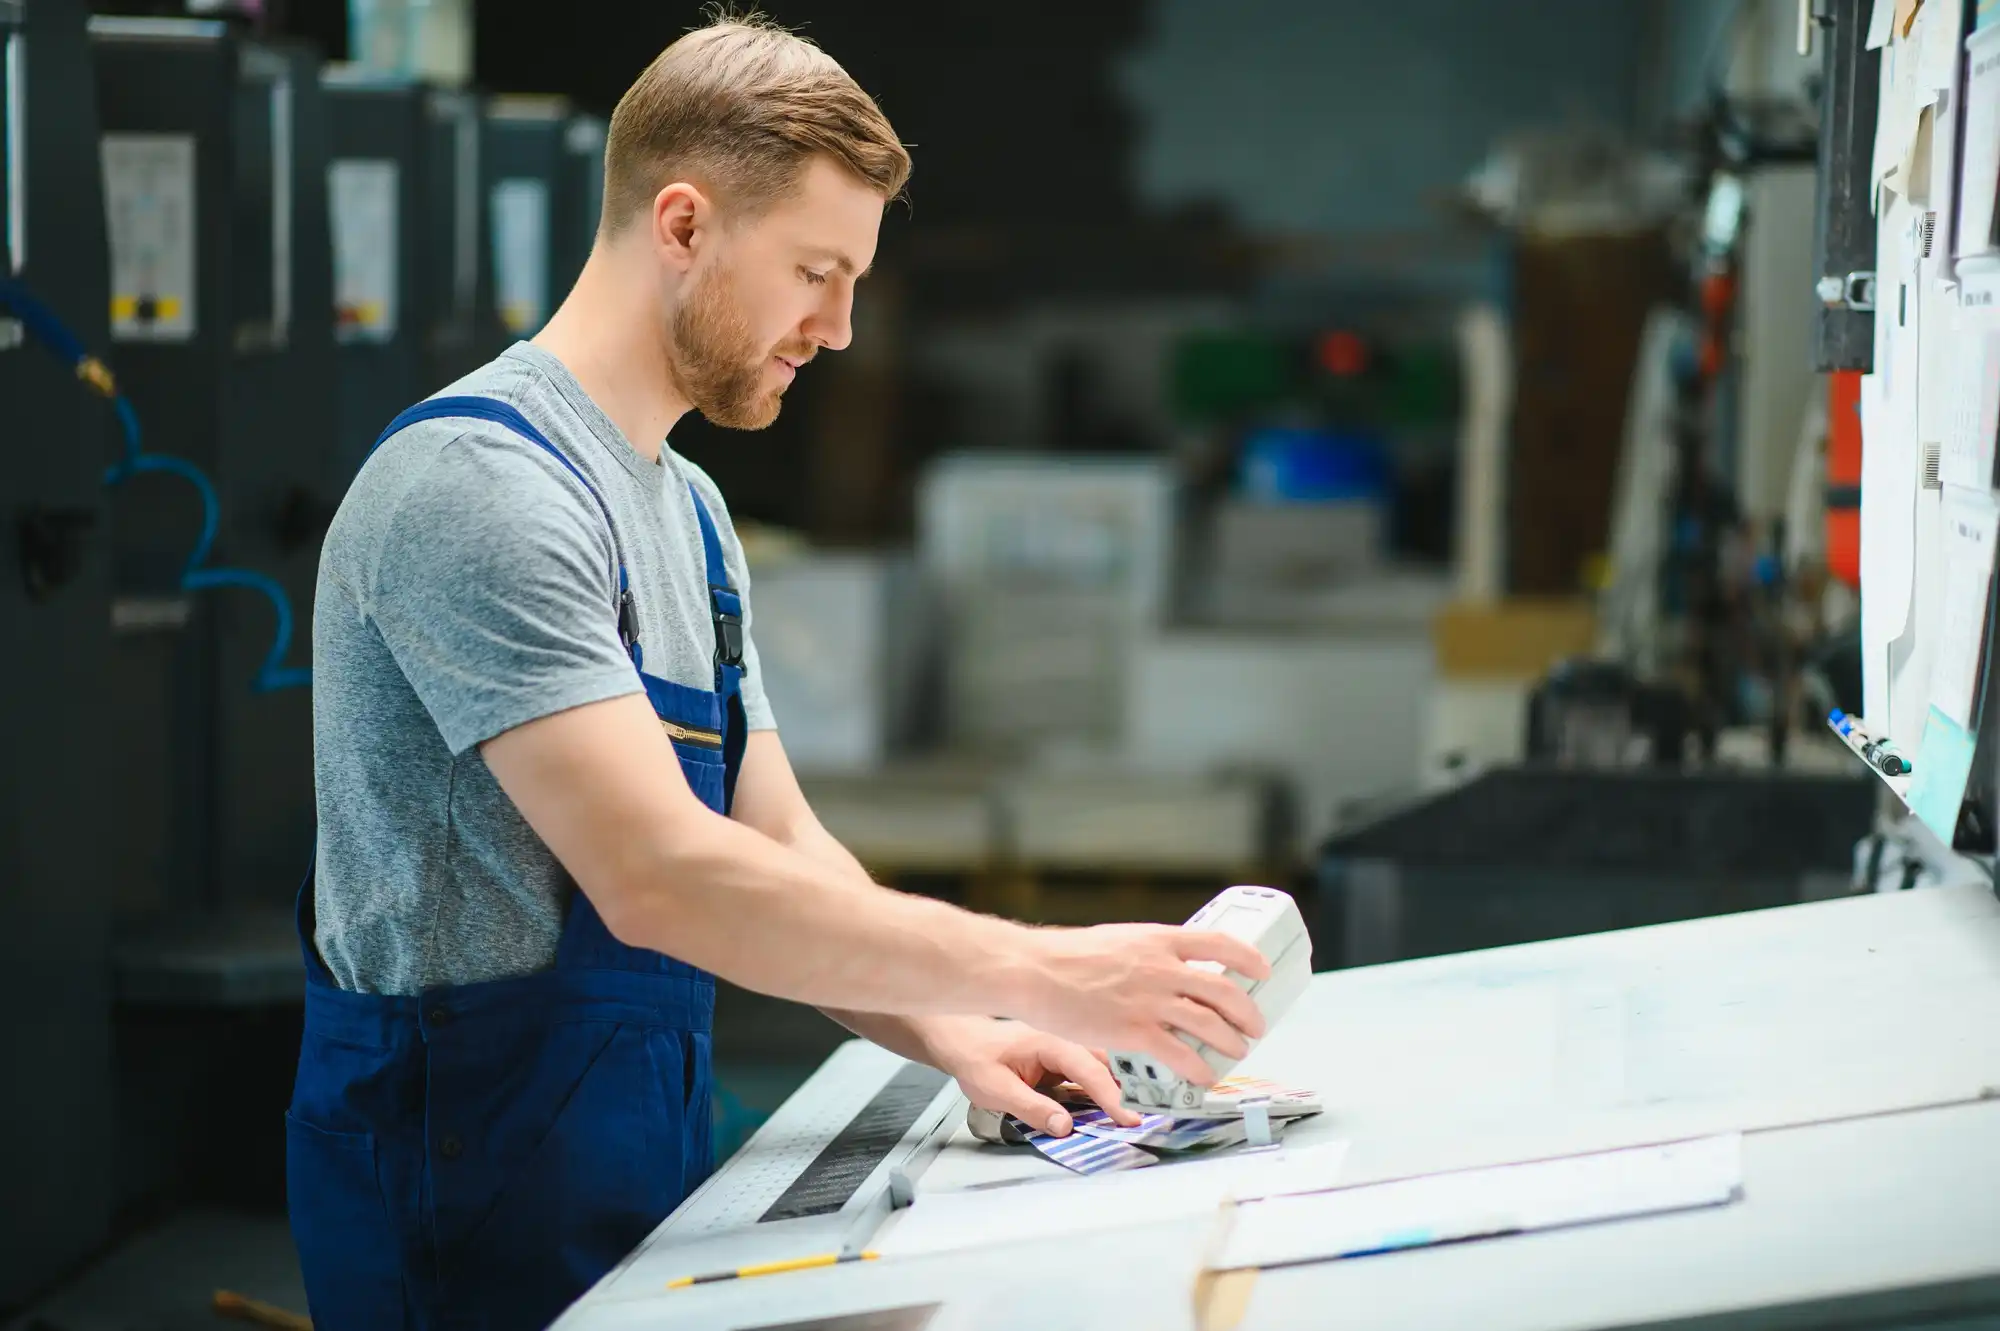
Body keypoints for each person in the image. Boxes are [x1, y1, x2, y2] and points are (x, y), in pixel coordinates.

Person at [287, 16, 1269, 1331]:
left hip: (625, 1169)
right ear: (683, 226)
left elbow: (778, 838)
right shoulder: (478, 494)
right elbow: (661, 876)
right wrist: (1054, 966)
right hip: (457, 1203)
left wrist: (956, 1028)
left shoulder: (688, 513)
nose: (844, 328)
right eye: (817, 270)